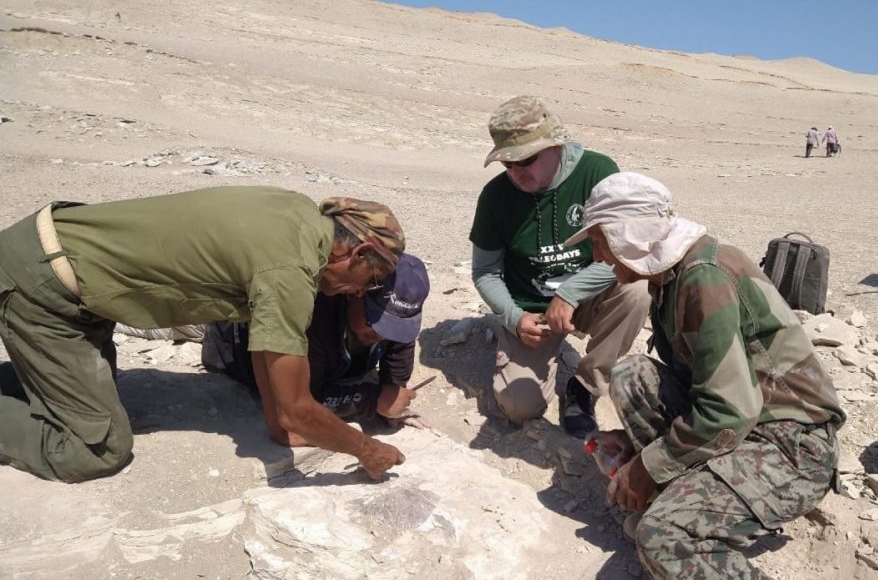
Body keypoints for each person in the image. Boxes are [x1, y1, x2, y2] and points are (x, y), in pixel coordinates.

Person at [0, 186, 408, 482]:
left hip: (64, 265)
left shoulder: (297, 214)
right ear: (358, 252)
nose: (360, 293)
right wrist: (366, 449)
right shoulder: (289, 270)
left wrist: (279, 426)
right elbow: (297, 409)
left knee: (89, 396)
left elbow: (267, 351)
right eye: (371, 279)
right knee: (96, 449)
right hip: (45, 287)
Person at [564, 172, 846, 579]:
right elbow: (708, 392)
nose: (598, 256)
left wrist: (646, 467)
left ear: (628, 235)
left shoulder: (704, 278)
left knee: (662, 538)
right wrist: (638, 449)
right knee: (631, 375)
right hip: (750, 424)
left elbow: (728, 412)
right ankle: (684, 500)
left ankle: (682, 515)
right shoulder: (671, 278)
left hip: (792, 449)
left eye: (600, 241)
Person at [469, 95, 650, 438]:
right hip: (532, 311)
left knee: (637, 291)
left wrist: (569, 294)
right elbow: (485, 272)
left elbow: (627, 253)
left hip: (589, 297)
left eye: (526, 159)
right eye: (507, 163)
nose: (517, 172)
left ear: (555, 146)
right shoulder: (495, 197)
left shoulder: (597, 174)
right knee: (519, 407)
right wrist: (514, 318)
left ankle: (584, 386)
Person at [202, 253, 431, 428]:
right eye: (374, 322)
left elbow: (401, 347)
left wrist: (393, 390)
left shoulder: (393, 325)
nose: (381, 335)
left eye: (394, 328)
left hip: (329, 358)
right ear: (357, 293)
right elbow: (301, 401)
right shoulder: (316, 315)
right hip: (232, 345)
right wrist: (373, 400)